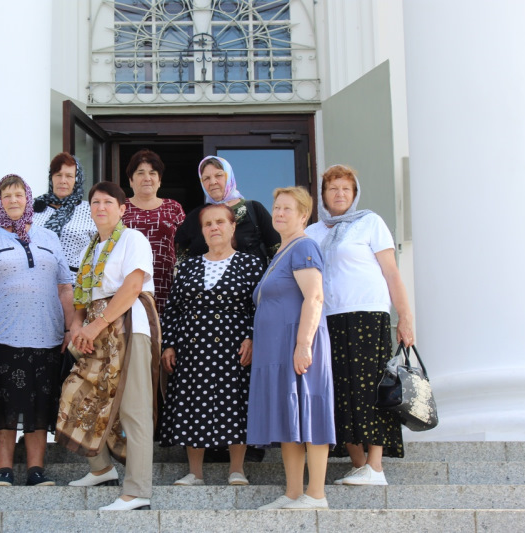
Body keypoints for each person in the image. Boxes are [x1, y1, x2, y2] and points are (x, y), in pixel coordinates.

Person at [0, 174, 74, 487]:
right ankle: (4, 470)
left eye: (19, 195)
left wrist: (70, 326)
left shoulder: (49, 237)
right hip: (0, 334)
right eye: (6, 196)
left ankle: (36, 470)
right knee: (4, 404)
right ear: (0, 201)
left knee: (40, 404)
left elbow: (65, 287)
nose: (13, 201)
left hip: (47, 335)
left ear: (28, 199)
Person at [305, 164, 413, 485]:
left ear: (354, 194)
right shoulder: (313, 232)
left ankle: (375, 467)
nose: (339, 194)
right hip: (327, 320)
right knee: (338, 389)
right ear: (323, 195)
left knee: (369, 388)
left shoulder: (370, 223)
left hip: (367, 314)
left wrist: (405, 317)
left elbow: (391, 272)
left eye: (346, 189)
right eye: (332, 188)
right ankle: (358, 462)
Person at [57, 181, 160, 511]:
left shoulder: (132, 239)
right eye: (95, 203)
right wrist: (76, 326)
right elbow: (81, 296)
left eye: (107, 202)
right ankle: (101, 469)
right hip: (94, 331)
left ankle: (137, 490)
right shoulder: (92, 248)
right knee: (76, 396)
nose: (100, 207)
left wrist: (96, 325)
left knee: (133, 408)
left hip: (127, 328)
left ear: (122, 208)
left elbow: (132, 286)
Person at [159, 204, 264, 486]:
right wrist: (168, 345)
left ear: (232, 227)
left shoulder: (251, 264)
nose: (214, 228)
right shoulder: (189, 265)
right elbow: (173, 309)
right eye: (208, 224)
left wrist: (253, 337)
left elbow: (262, 307)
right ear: (202, 231)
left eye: (220, 222)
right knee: (192, 402)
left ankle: (237, 470)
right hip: (191, 346)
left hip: (234, 346)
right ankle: (195, 472)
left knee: (235, 401)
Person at [248, 186, 335, 510]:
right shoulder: (280, 253)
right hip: (275, 349)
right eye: (277, 207)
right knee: (288, 417)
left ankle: (316, 494)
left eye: (288, 208)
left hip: (297, 344)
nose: (280, 213)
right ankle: (293, 492)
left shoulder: (304, 246)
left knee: (309, 413)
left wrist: (303, 345)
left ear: (303, 215)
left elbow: (314, 297)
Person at [175, 155, 279, 265]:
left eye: (218, 175)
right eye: (206, 178)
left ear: (229, 176)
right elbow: (181, 263)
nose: (212, 182)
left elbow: (279, 254)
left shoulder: (254, 210)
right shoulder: (195, 217)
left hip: (253, 281)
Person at [121, 149, 185, 313]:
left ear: (159, 180)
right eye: (140, 173)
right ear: (131, 180)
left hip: (165, 283)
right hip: (126, 283)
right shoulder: (120, 208)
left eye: (153, 173)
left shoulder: (173, 207)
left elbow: (183, 246)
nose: (147, 178)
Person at [32, 153, 94, 283]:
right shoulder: (33, 207)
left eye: (69, 176)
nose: (63, 181)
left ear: (77, 180)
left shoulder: (90, 210)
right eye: (58, 175)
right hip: (36, 282)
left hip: (75, 285)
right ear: (51, 178)